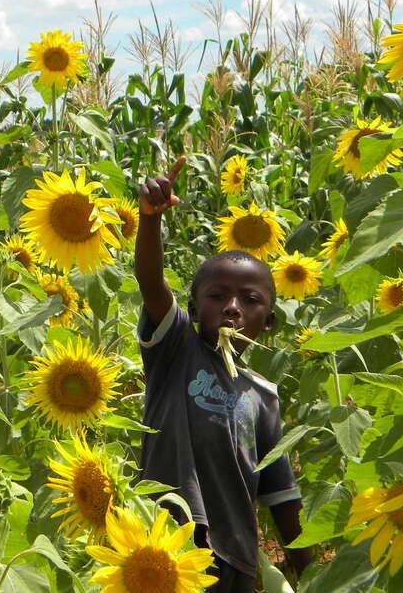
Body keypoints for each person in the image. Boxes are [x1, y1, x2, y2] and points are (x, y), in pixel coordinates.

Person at [135, 156, 311, 592]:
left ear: (267, 321)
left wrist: (308, 567)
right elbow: (151, 282)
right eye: (217, 296)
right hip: (164, 543)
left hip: (233, 557)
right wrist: (151, 221)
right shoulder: (177, 349)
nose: (232, 307)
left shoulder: (264, 396)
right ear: (194, 310)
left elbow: (280, 494)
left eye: (249, 300)